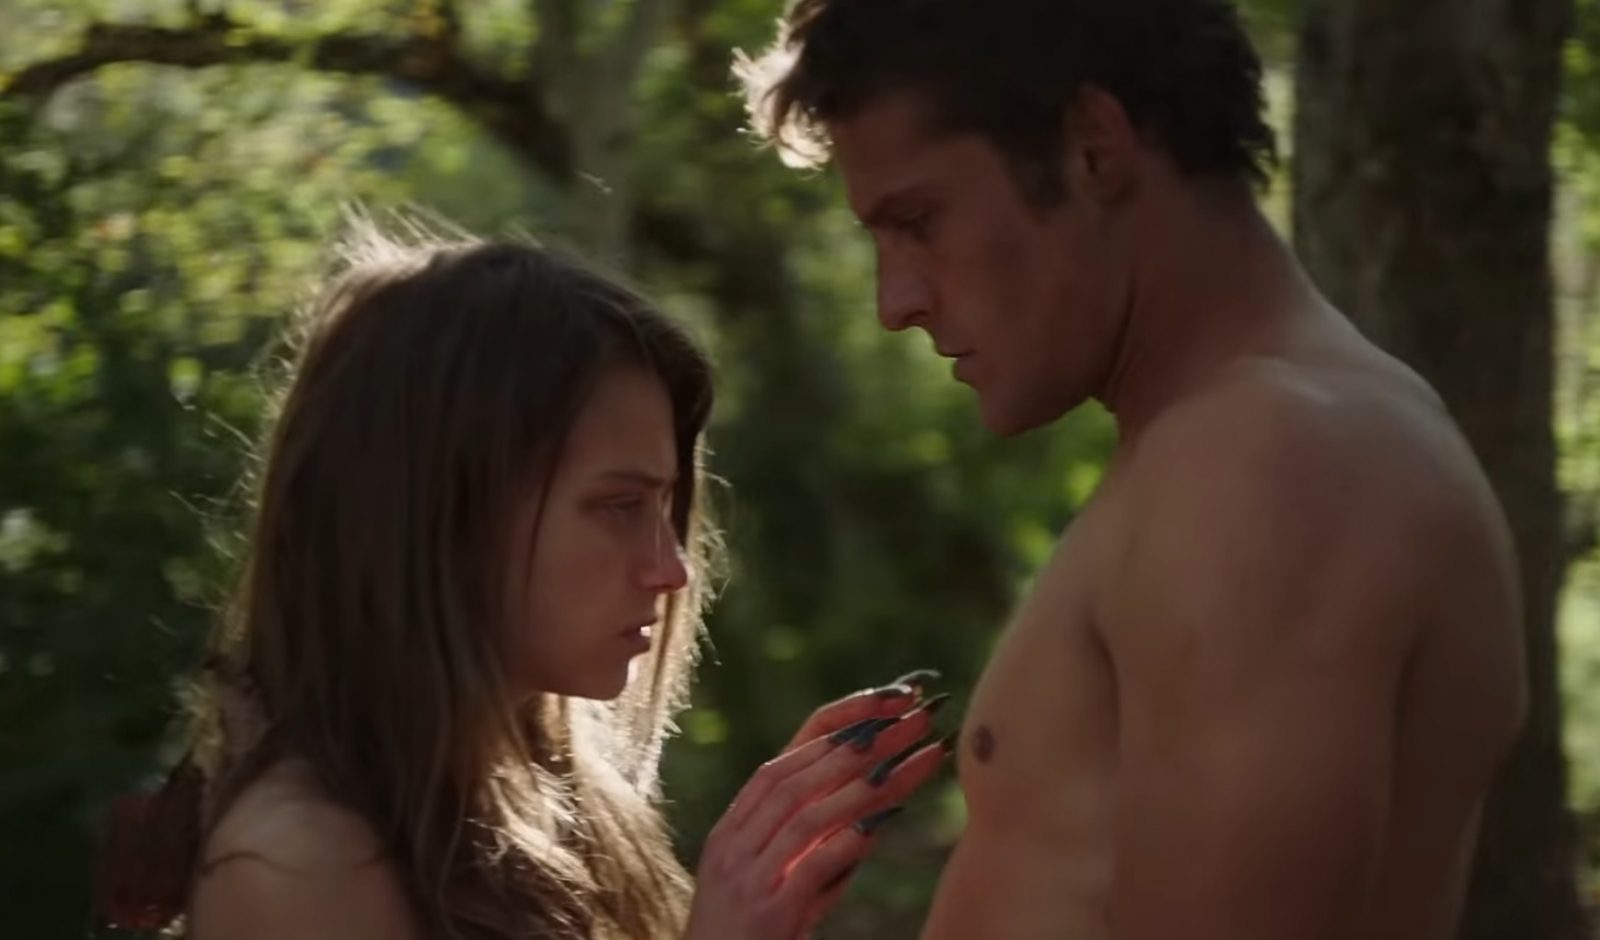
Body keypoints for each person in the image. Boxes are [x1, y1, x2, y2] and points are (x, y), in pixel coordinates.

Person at [738, 1, 1528, 937]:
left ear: (1092, 146)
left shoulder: (1266, 462)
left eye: (918, 220)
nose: (895, 301)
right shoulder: (1248, 445)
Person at [98, 224, 950, 940]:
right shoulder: (299, 866)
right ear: (438, 513)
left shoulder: (549, 808)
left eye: (665, 508)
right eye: (618, 506)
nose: (671, 569)